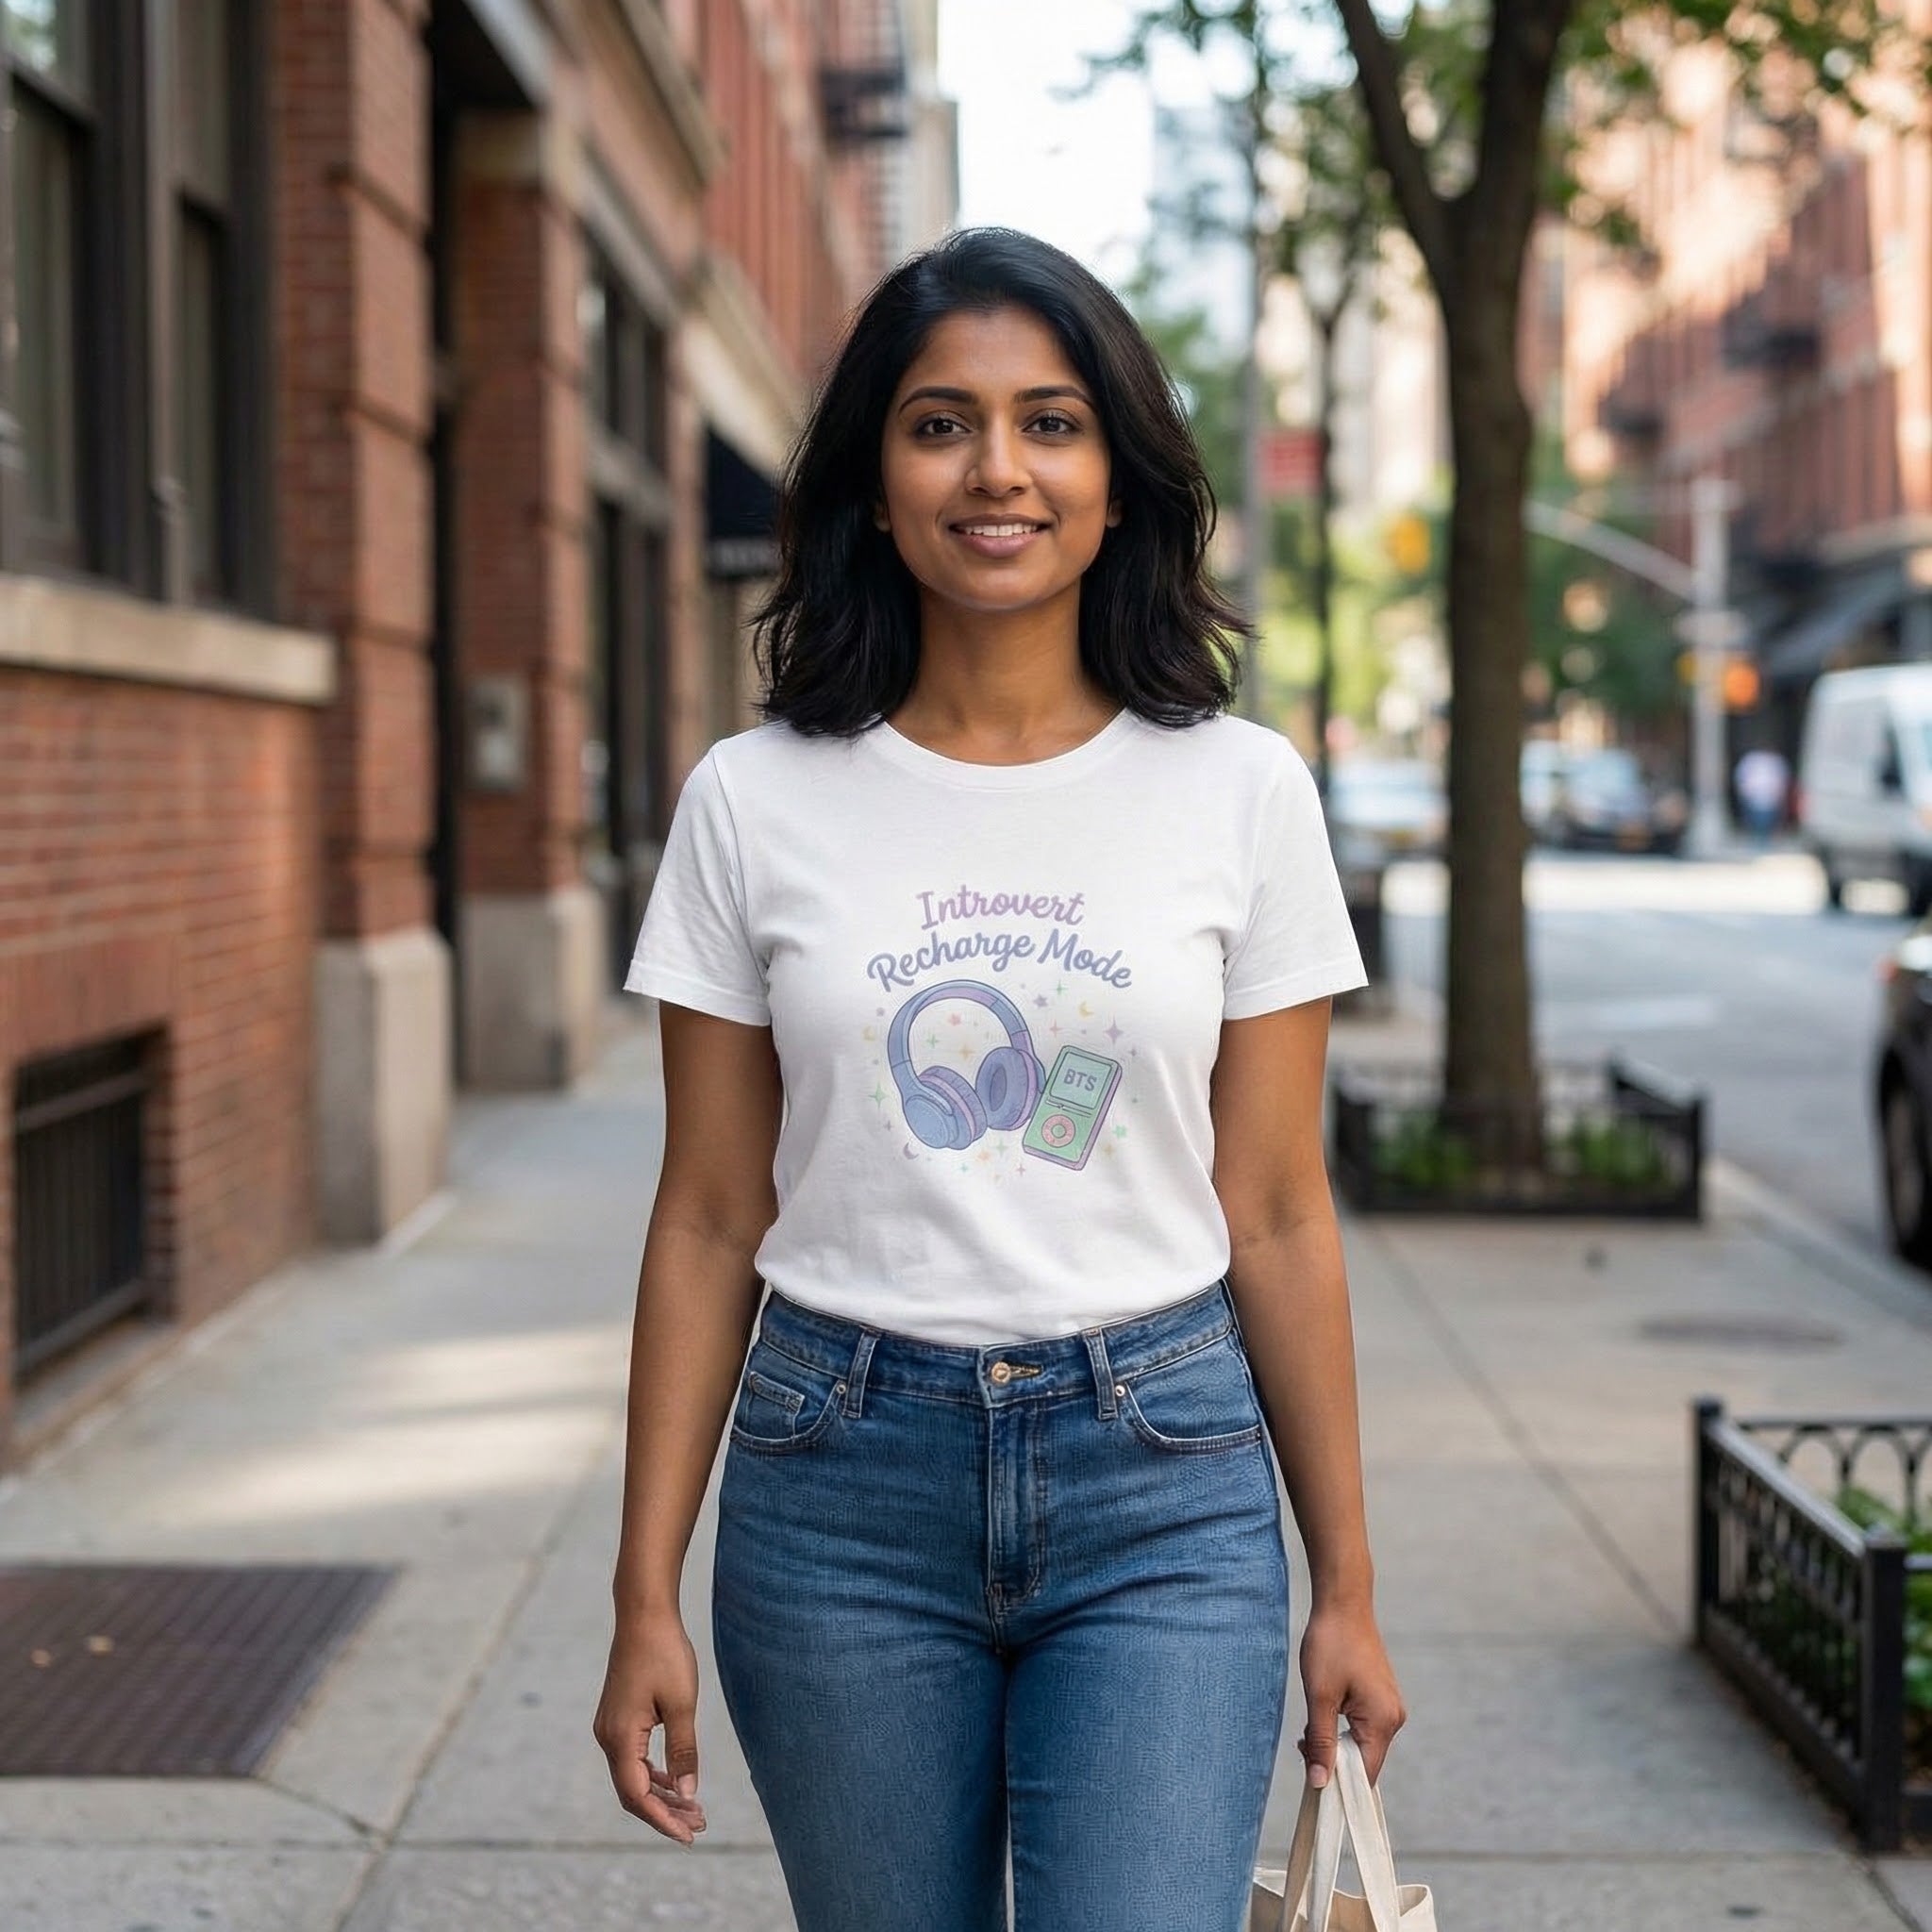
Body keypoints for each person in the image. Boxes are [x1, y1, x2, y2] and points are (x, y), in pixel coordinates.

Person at [592, 225, 1405, 1932]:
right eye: (939, 421)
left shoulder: (1238, 791)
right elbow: (709, 1211)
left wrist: (1348, 1580)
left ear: (1118, 475)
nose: (997, 469)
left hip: (1162, 1480)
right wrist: (638, 1588)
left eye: (1050, 421)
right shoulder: (753, 799)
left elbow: (1270, 1206)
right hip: (835, 1482)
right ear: (873, 480)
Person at [1734, 744, 1790, 843]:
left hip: (1770, 799)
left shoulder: (1775, 760)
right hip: (1753, 798)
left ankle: (1764, 843)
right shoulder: (1750, 759)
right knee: (1753, 825)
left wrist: (1779, 793)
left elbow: (1782, 778)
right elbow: (1742, 776)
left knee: (1767, 825)